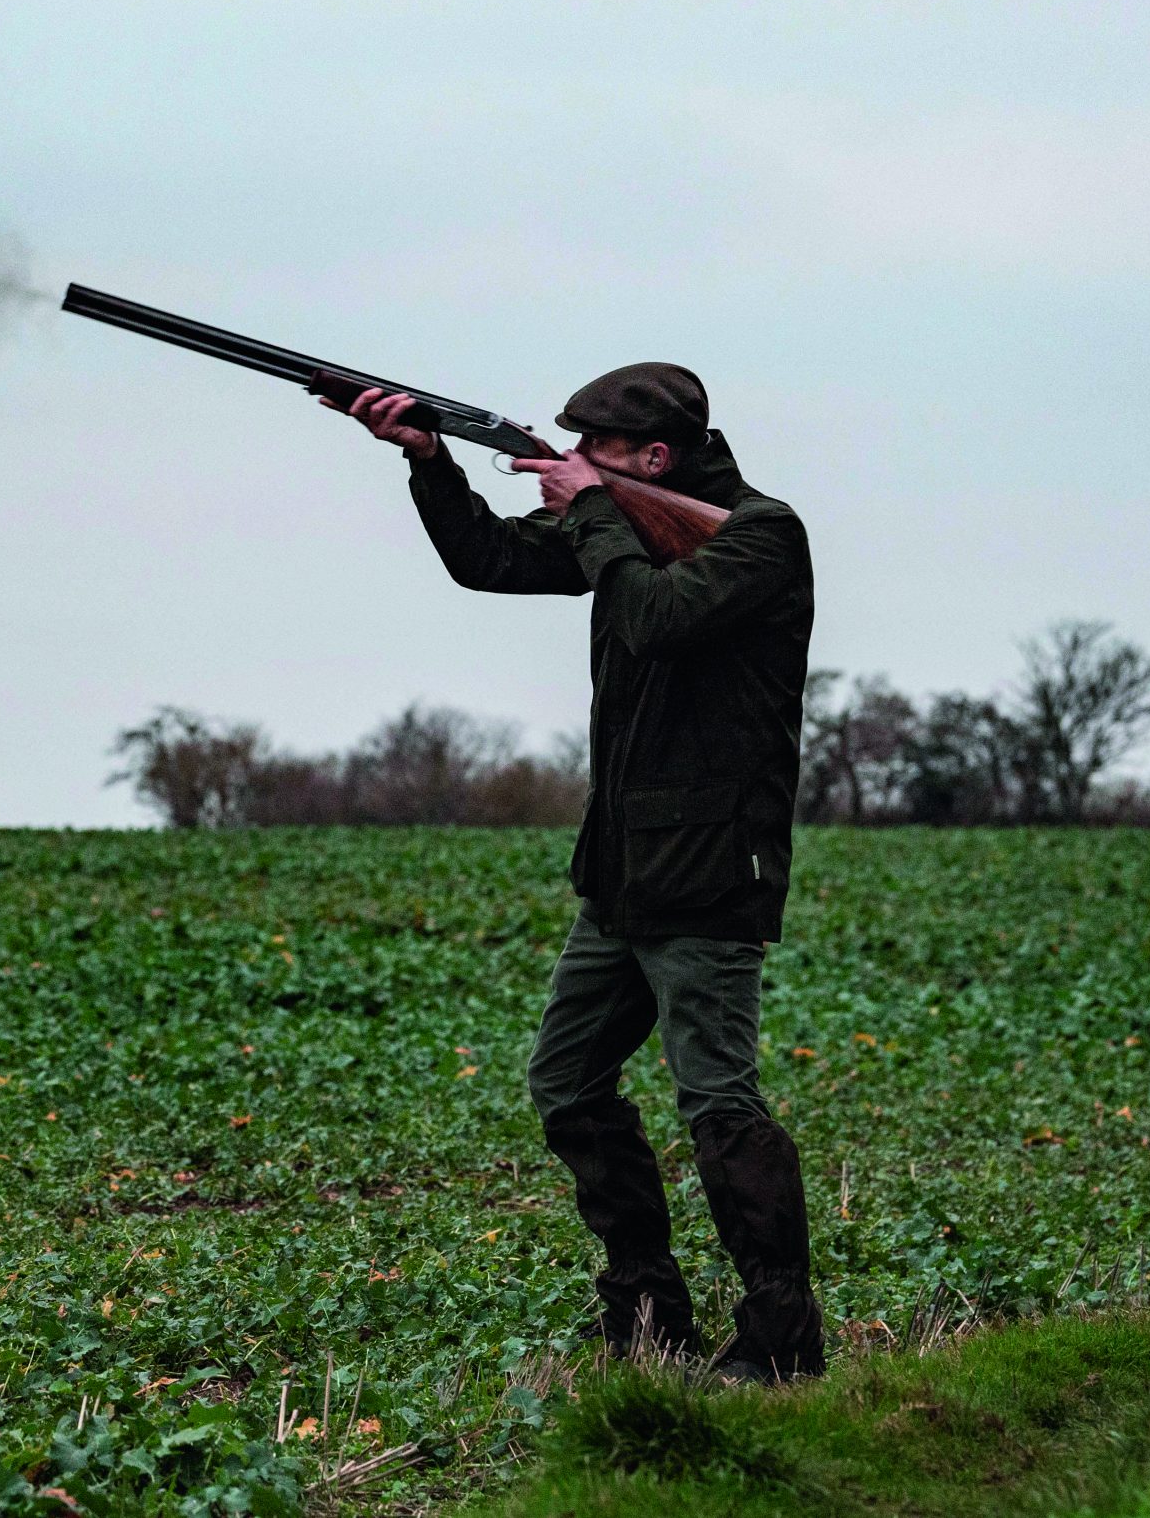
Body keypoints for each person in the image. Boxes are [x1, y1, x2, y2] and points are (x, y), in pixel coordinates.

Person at [329, 366, 824, 1384]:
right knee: (564, 1082)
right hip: (621, 874)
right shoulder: (618, 518)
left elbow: (656, 617)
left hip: (708, 872)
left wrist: (594, 510)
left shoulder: (760, 537)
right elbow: (491, 561)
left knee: (718, 1106)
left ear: (653, 460)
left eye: (590, 452)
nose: (568, 467)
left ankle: (781, 1340)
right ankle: (648, 1312)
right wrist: (429, 461)